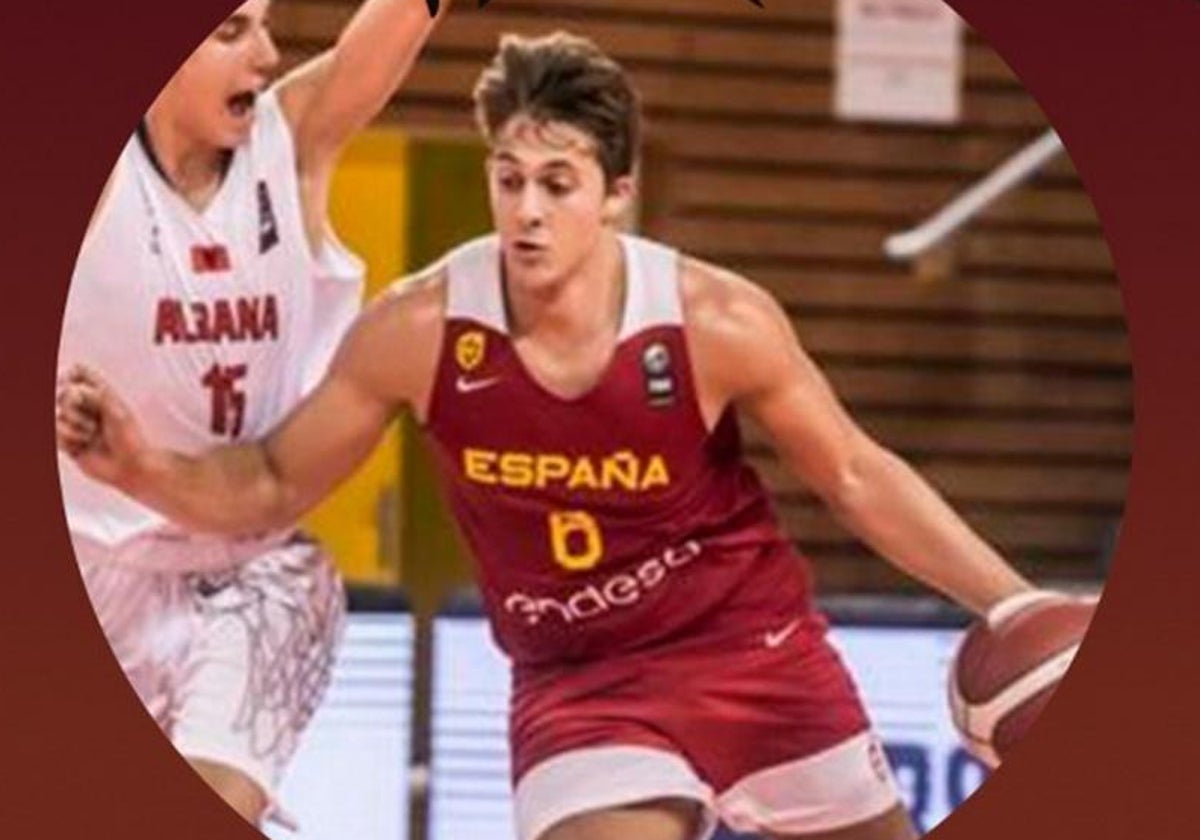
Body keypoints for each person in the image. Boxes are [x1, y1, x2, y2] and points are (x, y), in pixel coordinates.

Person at [58, 31, 1041, 840]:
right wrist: (140, 467)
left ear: (617, 194)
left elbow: (860, 476)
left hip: (751, 651)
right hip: (583, 685)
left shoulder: (714, 320)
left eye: (558, 184)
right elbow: (270, 483)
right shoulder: (419, 329)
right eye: (509, 178)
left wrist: (1014, 606)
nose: (526, 210)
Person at [55, 0, 445, 826]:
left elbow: (390, 29)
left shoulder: (292, 140)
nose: (267, 55)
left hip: (252, 568)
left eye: (266, 25)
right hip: (92, 569)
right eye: (233, 31)